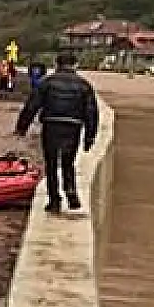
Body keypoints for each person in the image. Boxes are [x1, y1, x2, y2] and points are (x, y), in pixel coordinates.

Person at [15, 51, 99, 213]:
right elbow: (91, 113)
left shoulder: (46, 83)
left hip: (51, 125)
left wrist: (22, 126)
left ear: (56, 65)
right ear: (75, 65)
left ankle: (54, 200)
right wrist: (90, 137)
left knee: (51, 164)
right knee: (68, 162)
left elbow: (32, 105)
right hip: (73, 127)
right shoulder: (84, 85)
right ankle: (71, 193)